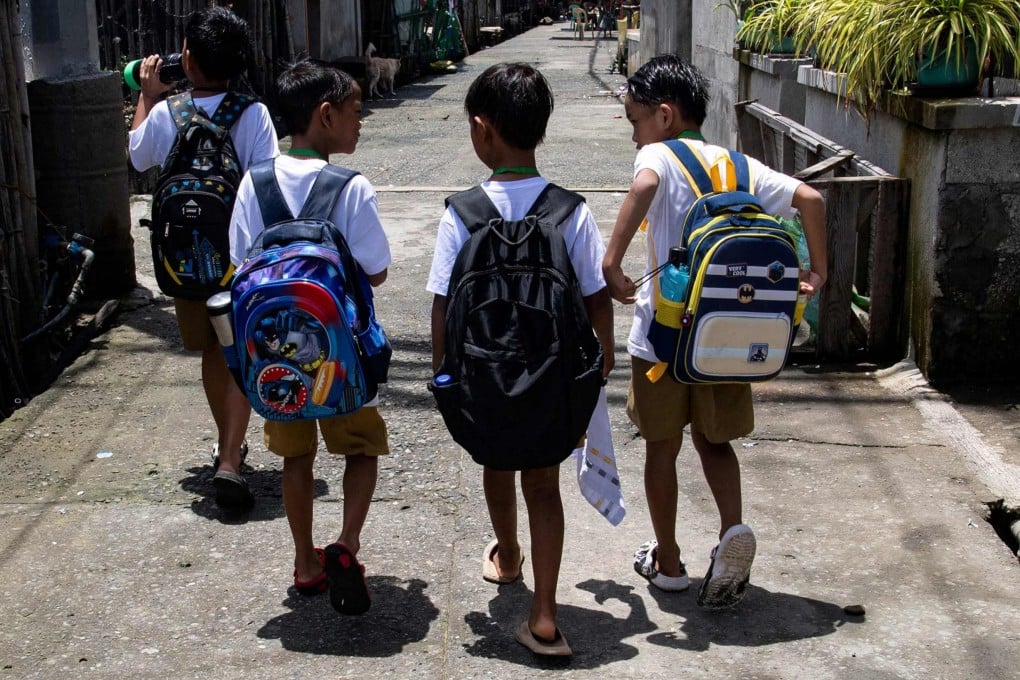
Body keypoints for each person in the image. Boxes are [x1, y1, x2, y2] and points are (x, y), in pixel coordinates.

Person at [602, 54, 827, 609]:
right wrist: (817, 270)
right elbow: (811, 198)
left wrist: (612, 263)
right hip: (726, 338)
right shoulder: (737, 164)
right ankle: (731, 530)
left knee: (661, 446)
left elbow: (645, 185)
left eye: (634, 122)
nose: (634, 137)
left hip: (662, 337)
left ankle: (670, 562)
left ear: (663, 114)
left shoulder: (656, 154)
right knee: (715, 440)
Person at [427, 63, 614, 657]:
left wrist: (445, 378)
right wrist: (597, 375)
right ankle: (543, 615)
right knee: (543, 482)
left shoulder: (462, 211)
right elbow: (595, 300)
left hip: (483, 374)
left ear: (483, 130)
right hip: (553, 376)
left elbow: (441, 307)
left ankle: (507, 557)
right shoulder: (571, 211)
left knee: (495, 460)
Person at [228, 59, 391, 614]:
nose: (360, 122)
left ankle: (305, 562)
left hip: (276, 362)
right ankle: (346, 542)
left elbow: (238, 263)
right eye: (354, 112)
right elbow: (376, 268)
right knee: (361, 448)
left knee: (295, 460)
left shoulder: (254, 182)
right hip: (341, 357)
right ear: (325, 116)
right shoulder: (350, 186)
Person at [128, 6, 279, 512]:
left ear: (186, 58)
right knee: (229, 350)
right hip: (237, 259)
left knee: (211, 352)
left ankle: (229, 453)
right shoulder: (253, 114)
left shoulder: (168, 113)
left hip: (184, 262)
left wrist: (146, 98)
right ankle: (230, 454)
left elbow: (137, 157)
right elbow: (264, 182)